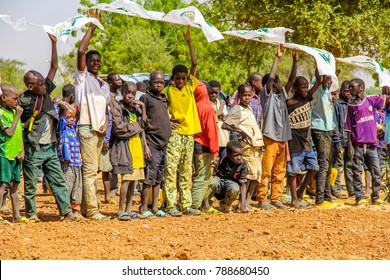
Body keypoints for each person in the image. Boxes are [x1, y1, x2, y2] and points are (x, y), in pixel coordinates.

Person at [19, 34, 80, 222]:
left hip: (51, 148)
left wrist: (53, 43)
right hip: (34, 149)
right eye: (39, 84)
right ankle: (31, 214)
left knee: (58, 181)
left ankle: (67, 212)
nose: (44, 86)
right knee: (30, 184)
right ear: (30, 86)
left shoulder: (45, 93)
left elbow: (54, 66)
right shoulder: (23, 100)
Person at [161, 26, 201, 217]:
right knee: (171, 170)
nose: (181, 80)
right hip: (175, 134)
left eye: (184, 78)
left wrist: (189, 42)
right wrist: (168, 121)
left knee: (186, 171)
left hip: (189, 133)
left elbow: (194, 63)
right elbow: (160, 109)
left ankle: (186, 205)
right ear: (173, 78)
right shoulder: (168, 91)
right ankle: (170, 205)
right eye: (178, 78)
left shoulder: (190, 87)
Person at [75, 9, 111, 220]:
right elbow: (81, 50)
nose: (95, 62)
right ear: (87, 63)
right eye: (92, 60)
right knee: (90, 171)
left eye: (98, 60)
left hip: (99, 131)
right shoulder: (82, 78)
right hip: (86, 128)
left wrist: (106, 125)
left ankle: (85, 207)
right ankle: (93, 210)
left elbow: (106, 108)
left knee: (93, 170)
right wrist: (92, 26)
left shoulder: (104, 84)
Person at [257, 45, 297, 210]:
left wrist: (295, 61)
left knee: (279, 171)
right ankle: (262, 199)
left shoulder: (282, 95)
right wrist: (277, 58)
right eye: (277, 82)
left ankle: (276, 198)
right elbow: (271, 78)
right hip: (270, 138)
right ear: (272, 85)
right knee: (266, 171)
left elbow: (292, 80)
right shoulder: (267, 97)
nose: (280, 85)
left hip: (282, 138)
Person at [345, 79, 390, 206]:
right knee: (357, 170)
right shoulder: (350, 107)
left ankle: (375, 197)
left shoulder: (371, 100)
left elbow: (386, 98)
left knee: (376, 171)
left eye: (352, 87)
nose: (349, 90)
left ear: (361, 88)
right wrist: (350, 147)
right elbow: (348, 129)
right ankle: (359, 197)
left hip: (372, 145)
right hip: (358, 145)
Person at [111, 81, 150, 220]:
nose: (131, 96)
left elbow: (144, 126)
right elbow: (119, 129)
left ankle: (129, 209)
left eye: (133, 93)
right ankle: (121, 210)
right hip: (125, 148)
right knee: (126, 179)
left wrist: (143, 106)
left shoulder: (136, 109)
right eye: (128, 93)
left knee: (134, 181)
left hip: (137, 147)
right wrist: (136, 126)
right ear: (122, 93)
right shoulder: (118, 107)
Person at [222, 84, 264, 212]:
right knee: (248, 176)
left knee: (257, 175)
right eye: (244, 95)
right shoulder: (237, 109)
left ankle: (246, 202)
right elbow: (225, 125)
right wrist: (241, 131)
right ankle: (242, 204)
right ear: (239, 95)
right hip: (249, 147)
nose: (247, 98)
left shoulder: (249, 108)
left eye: (249, 95)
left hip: (257, 146)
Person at [138, 71, 172, 218]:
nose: (159, 85)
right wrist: (145, 146)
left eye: (161, 82)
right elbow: (142, 125)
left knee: (159, 177)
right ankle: (144, 207)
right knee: (149, 177)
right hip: (152, 143)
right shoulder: (146, 98)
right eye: (156, 82)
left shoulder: (164, 99)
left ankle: (155, 206)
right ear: (149, 83)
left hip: (163, 144)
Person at [286, 76, 319, 208]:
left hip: (307, 144)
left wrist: (320, 75)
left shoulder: (307, 99)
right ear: (295, 89)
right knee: (292, 171)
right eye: (303, 87)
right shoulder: (288, 104)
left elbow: (317, 83)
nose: (306, 90)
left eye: (307, 87)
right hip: (295, 144)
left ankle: (300, 192)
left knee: (314, 167)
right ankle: (294, 198)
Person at [0, 85, 27, 223]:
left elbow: (19, 133)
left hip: (16, 155)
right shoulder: (2, 114)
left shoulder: (15, 112)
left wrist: (22, 151)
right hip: (5, 154)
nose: (17, 101)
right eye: (15, 98)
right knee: (3, 185)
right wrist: (17, 116)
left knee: (15, 186)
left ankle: (16, 216)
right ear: (4, 98)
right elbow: (9, 132)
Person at [191, 82, 220, 214]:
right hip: (204, 146)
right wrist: (215, 151)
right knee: (202, 176)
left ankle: (203, 205)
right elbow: (211, 131)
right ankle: (194, 205)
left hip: (193, 144)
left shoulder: (193, 106)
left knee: (200, 174)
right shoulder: (207, 108)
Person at [309, 68, 335, 207]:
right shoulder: (316, 87)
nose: (330, 80)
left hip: (327, 129)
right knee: (323, 164)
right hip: (320, 129)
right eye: (328, 76)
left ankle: (327, 196)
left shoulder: (325, 90)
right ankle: (320, 199)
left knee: (328, 164)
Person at [202, 140, 248, 213]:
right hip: (219, 185)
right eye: (236, 155)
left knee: (235, 188)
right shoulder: (222, 161)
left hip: (231, 186)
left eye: (241, 155)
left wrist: (242, 205)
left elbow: (243, 185)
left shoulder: (243, 163)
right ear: (228, 155)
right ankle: (207, 204)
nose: (239, 157)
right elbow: (213, 177)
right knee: (211, 182)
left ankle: (225, 205)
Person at [57, 105, 82, 214]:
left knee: (77, 187)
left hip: (76, 163)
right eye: (68, 117)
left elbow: (79, 116)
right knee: (67, 186)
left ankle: (76, 208)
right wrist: (64, 106)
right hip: (67, 163)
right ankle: (65, 209)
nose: (71, 119)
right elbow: (62, 119)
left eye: (73, 117)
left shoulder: (73, 128)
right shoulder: (62, 128)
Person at [332, 80, 354, 198]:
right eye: (345, 91)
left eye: (349, 91)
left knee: (350, 166)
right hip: (339, 141)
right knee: (337, 166)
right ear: (341, 90)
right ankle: (335, 190)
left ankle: (351, 190)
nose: (348, 94)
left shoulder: (351, 103)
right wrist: (337, 142)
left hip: (350, 141)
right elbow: (334, 124)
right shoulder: (336, 104)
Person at [209, 80, 229, 158]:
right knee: (213, 162)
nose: (213, 95)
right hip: (212, 137)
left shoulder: (220, 102)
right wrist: (220, 110)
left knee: (223, 159)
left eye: (216, 93)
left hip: (223, 137)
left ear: (219, 92)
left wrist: (221, 113)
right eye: (211, 92)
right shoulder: (206, 103)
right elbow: (211, 117)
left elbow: (226, 117)